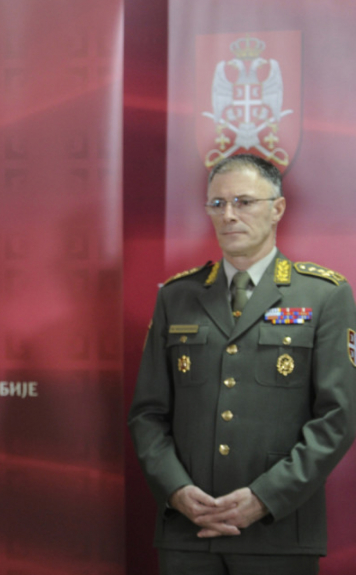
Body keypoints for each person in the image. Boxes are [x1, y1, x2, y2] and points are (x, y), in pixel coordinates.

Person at [128, 153, 356, 574]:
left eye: (244, 202)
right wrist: (176, 489)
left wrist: (266, 497)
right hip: (188, 531)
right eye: (217, 203)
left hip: (279, 531)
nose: (229, 215)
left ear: (278, 208)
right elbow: (148, 413)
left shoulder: (324, 295)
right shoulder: (176, 296)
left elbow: (338, 417)